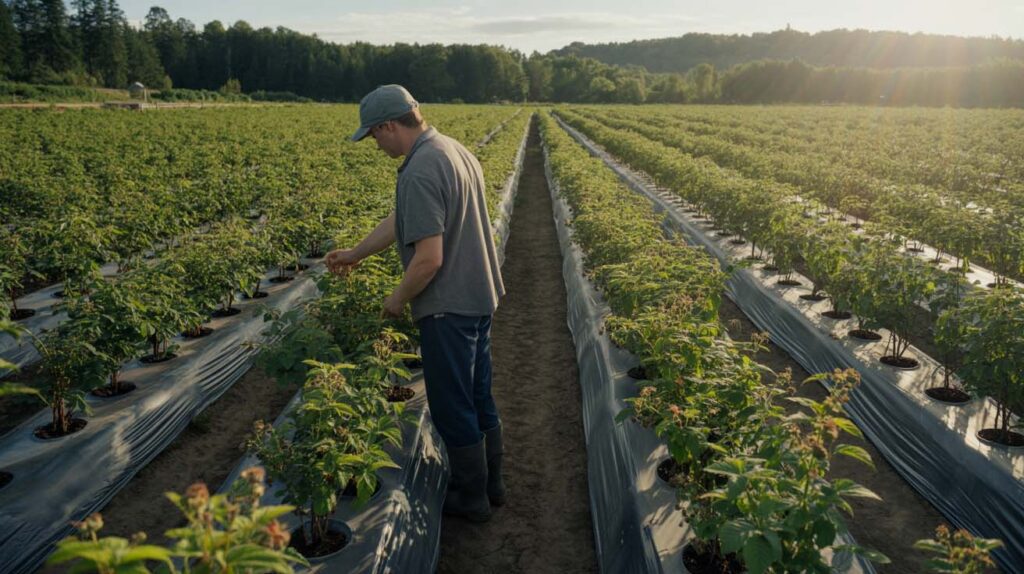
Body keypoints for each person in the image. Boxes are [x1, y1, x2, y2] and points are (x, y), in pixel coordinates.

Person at [326, 85, 506, 523]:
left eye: (373, 135)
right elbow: (404, 217)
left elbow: (428, 260)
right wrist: (355, 253)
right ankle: (491, 485)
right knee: (478, 394)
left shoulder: (422, 168)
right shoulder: (450, 150)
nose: (374, 144)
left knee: (451, 403)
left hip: (448, 306)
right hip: (478, 295)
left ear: (389, 125)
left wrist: (394, 301)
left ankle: (471, 499)